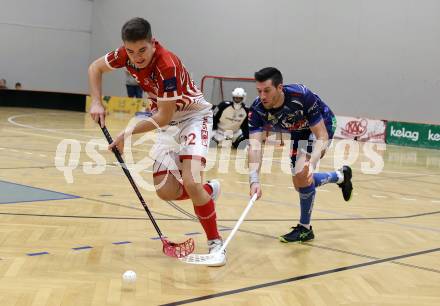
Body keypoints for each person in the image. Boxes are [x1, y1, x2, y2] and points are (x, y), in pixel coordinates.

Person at [88, 17, 226, 266]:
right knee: (165, 192)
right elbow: (95, 68)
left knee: (192, 181)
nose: (136, 57)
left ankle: (216, 244)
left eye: (142, 50)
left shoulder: (167, 66)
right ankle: (209, 193)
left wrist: (127, 134)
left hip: (193, 117)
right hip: (167, 124)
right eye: (131, 51)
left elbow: (163, 117)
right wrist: (97, 101)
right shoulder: (124, 55)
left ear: (153, 42)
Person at [248, 67, 353, 243]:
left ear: (279, 88)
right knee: (300, 184)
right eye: (259, 91)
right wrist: (254, 180)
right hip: (298, 132)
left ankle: (305, 229)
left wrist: (311, 164)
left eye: (267, 90)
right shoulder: (257, 108)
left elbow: (322, 136)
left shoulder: (301, 96)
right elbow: (254, 146)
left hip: (322, 124)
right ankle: (340, 176)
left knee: (303, 174)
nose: (262, 96)